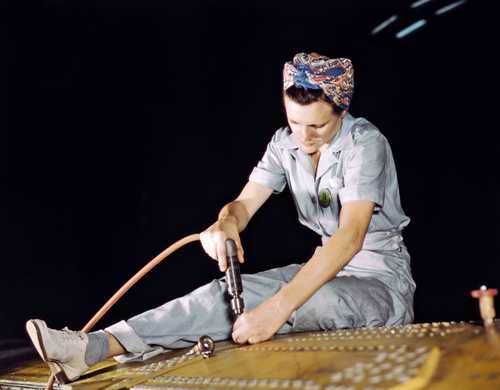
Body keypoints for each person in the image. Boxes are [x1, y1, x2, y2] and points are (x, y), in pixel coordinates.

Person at [26, 52, 416, 383]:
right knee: (224, 295)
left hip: (378, 281)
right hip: (323, 266)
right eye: (295, 122)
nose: (305, 136)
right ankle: (92, 347)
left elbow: (350, 237)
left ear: (342, 110)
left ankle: (278, 308)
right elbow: (243, 204)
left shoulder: (365, 143)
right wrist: (226, 223)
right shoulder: (285, 143)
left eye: (318, 125)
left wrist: (276, 310)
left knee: (303, 303)